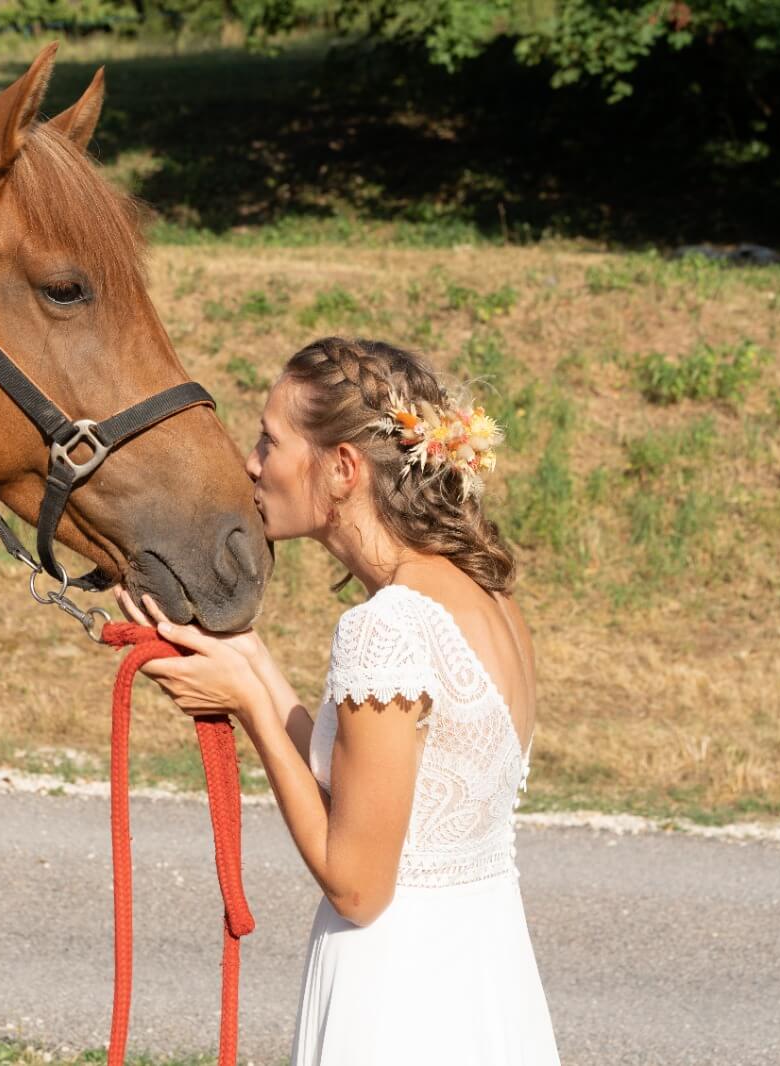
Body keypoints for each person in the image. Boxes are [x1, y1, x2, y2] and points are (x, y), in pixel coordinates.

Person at [115, 336, 560, 1065]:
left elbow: (357, 887)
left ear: (344, 468)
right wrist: (251, 664)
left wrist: (252, 713)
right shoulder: (488, 596)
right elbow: (375, 791)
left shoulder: (386, 627)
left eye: (270, 439)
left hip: (398, 996)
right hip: (483, 979)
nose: (252, 463)